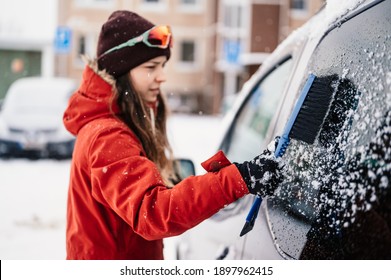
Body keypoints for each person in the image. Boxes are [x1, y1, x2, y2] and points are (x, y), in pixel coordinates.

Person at [63, 10, 282, 260]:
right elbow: (153, 212)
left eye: (163, 65)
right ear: (121, 72)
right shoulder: (108, 136)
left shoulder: (109, 127)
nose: (162, 76)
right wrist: (237, 179)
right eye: (151, 67)